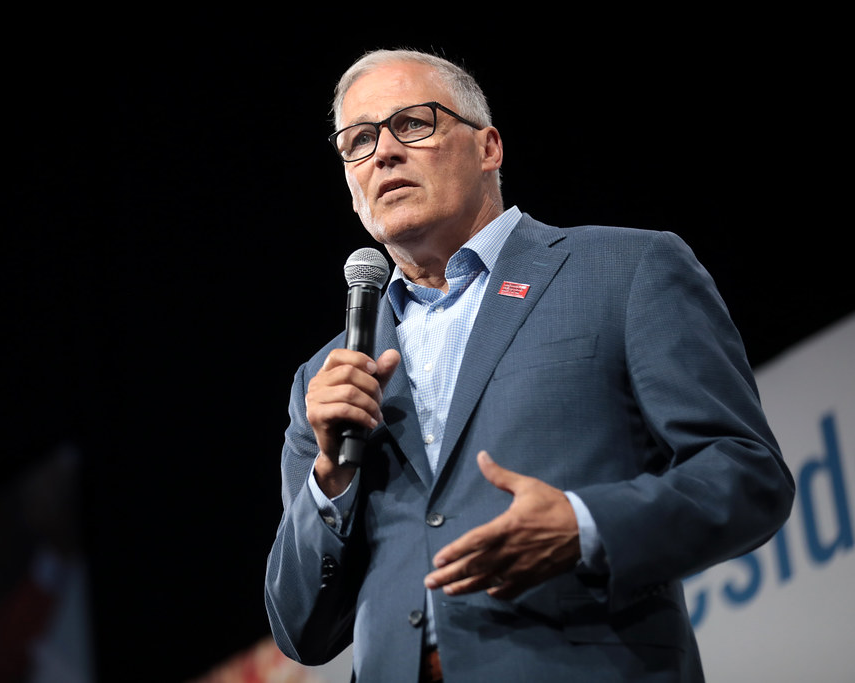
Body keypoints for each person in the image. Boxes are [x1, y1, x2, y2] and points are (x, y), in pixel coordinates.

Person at [264, 48, 794, 682]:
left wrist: (585, 526)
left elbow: (747, 473)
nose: (383, 153)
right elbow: (300, 629)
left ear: (488, 147)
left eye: (412, 124)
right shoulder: (326, 379)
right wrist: (330, 477)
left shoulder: (624, 271)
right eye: (358, 140)